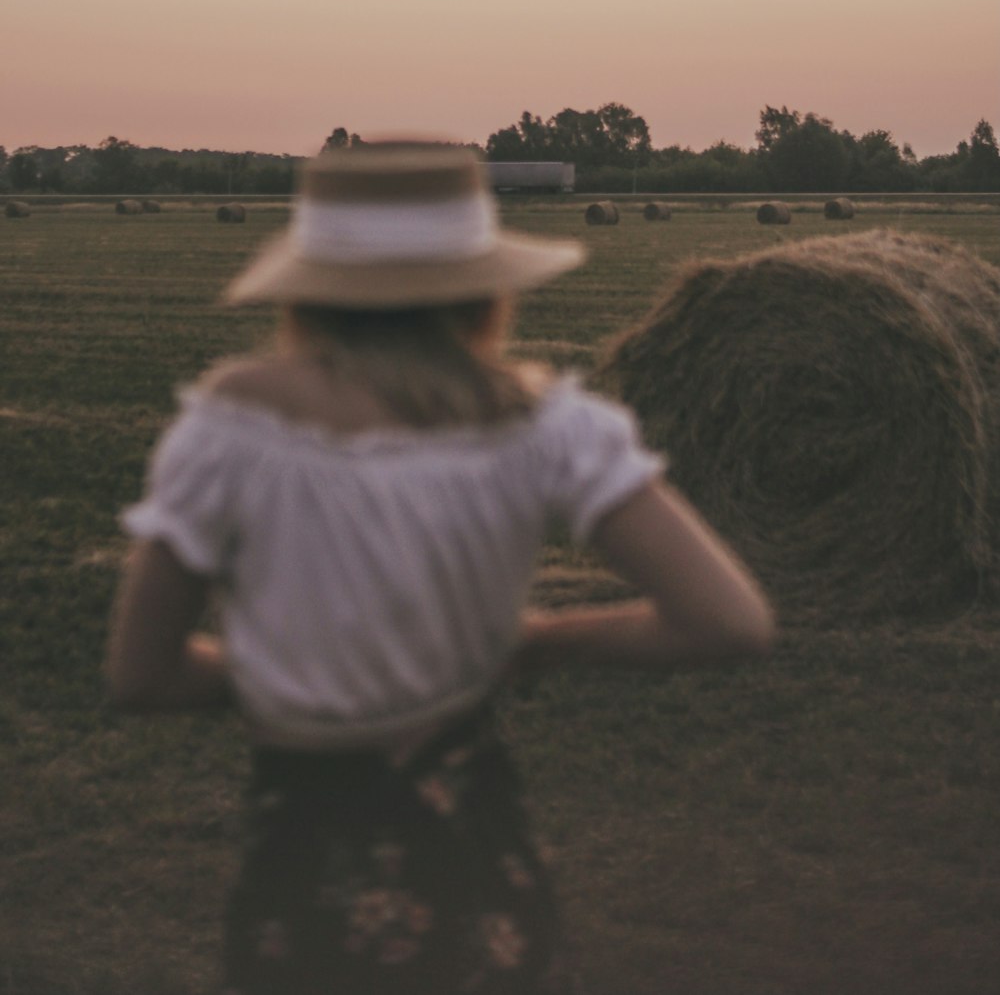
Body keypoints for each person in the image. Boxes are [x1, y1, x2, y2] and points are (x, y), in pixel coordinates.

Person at [107, 144, 774, 994]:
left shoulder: (231, 433)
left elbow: (140, 675)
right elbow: (732, 620)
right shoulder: (549, 428)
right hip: (480, 862)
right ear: (483, 287)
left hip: (307, 877)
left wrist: (297, 671)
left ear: (309, 288)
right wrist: (542, 642)